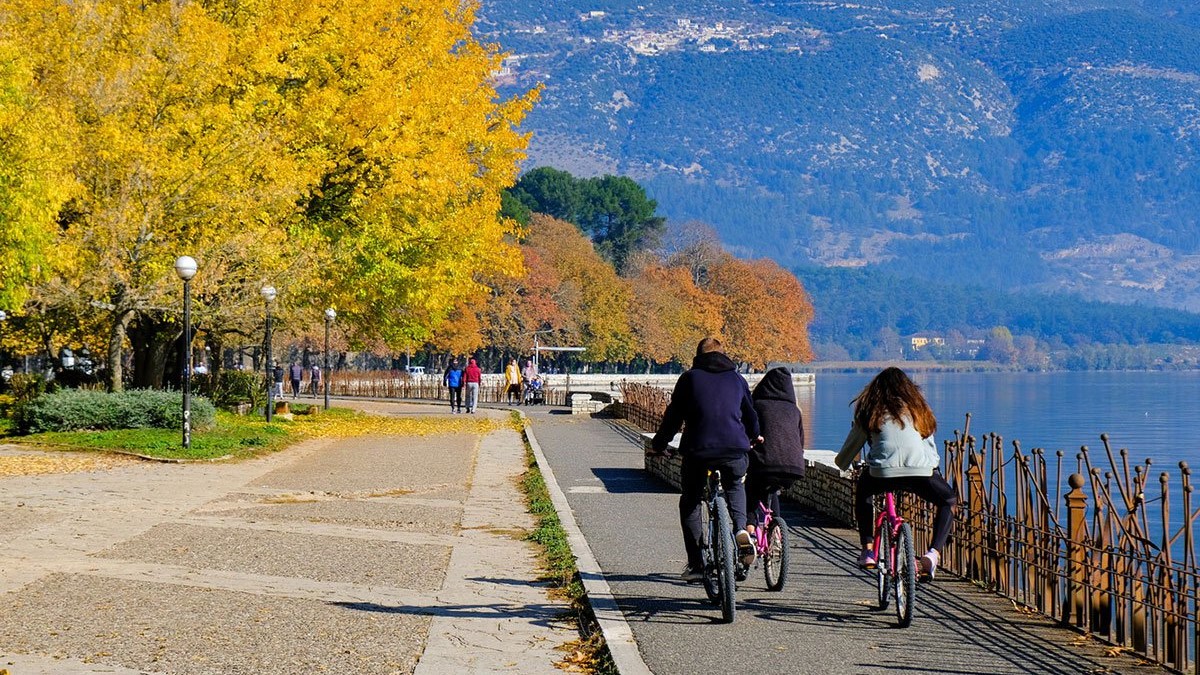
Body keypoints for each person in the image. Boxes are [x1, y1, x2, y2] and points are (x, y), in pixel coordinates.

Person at [650, 337, 761, 580]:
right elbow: (750, 416)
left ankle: (696, 565)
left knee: (690, 500)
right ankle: (741, 529)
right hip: (734, 449)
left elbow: (673, 418)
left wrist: (659, 445)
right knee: (734, 485)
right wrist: (754, 436)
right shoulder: (737, 379)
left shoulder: (689, 379)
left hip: (698, 452)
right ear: (725, 355)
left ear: (697, 355)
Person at [834, 366, 958, 581]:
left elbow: (848, 452)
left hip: (881, 472)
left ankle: (868, 549)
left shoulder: (870, 411)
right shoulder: (919, 410)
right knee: (948, 500)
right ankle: (933, 553)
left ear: (875, 389)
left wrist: (842, 462)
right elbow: (929, 446)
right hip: (920, 471)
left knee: (863, 492)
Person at [746, 366, 806, 534]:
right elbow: (800, 443)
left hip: (764, 465)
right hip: (794, 468)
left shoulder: (756, 406)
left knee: (751, 490)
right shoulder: (795, 410)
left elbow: (748, 434)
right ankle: (777, 533)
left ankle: (750, 532)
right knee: (773, 491)